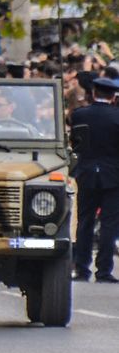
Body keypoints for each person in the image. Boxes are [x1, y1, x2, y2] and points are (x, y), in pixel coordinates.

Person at [69, 75, 119, 283]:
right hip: (113, 175)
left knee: (85, 221)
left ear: (93, 93)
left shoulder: (80, 115)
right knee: (109, 223)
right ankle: (104, 270)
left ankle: (82, 267)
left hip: (87, 172)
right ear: (113, 96)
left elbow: (75, 141)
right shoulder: (117, 117)